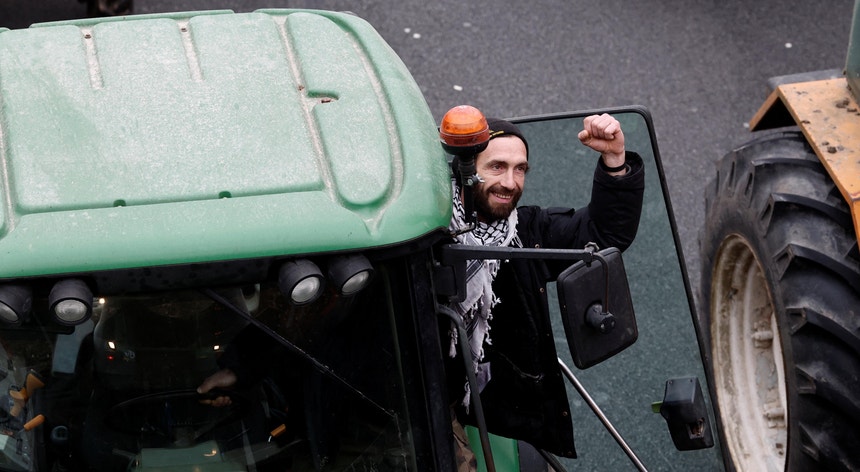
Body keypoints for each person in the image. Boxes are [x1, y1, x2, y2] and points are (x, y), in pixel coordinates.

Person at [445, 113, 645, 463]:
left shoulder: (528, 231)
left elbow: (604, 234)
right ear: (465, 170)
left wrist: (615, 161)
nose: (510, 182)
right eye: (497, 167)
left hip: (499, 404)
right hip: (422, 401)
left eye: (520, 169)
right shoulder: (426, 233)